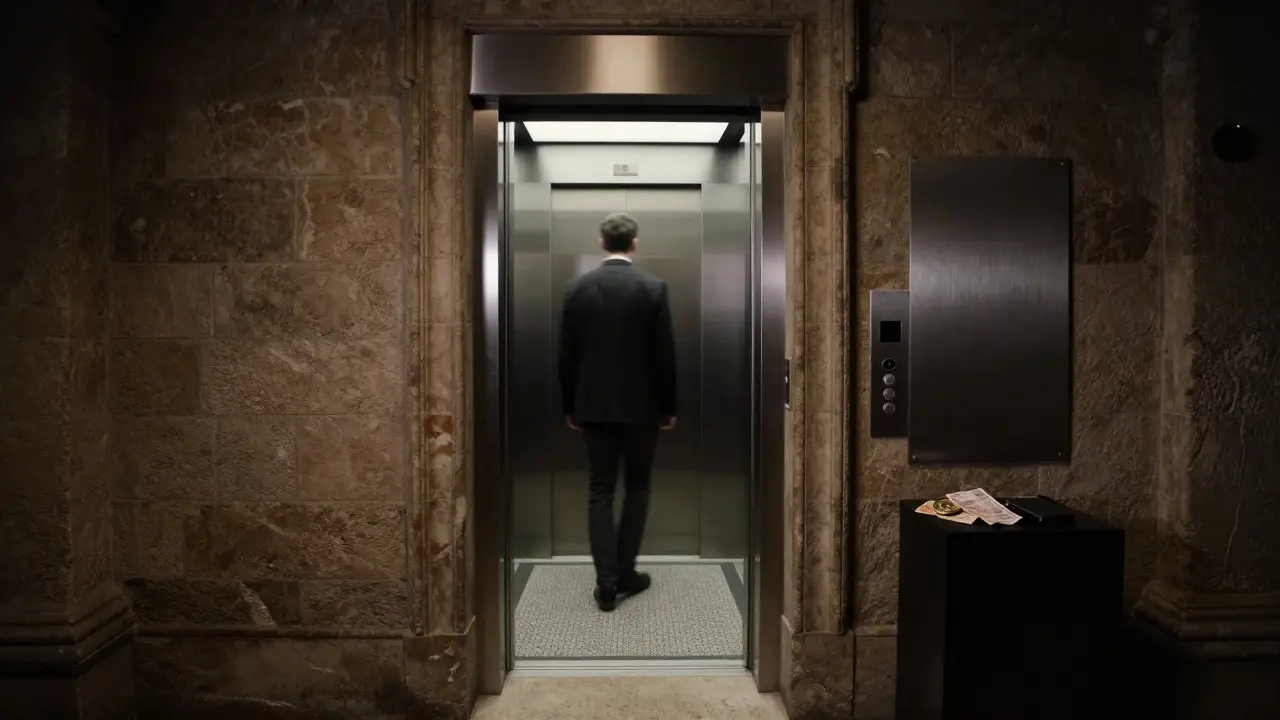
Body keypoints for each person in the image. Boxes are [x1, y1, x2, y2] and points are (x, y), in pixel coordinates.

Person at [558, 212, 678, 612]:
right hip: (643, 409)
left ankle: (606, 583)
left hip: (592, 407)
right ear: (634, 243)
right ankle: (625, 572)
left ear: (601, 242)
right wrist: (668, 406)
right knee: (639, 487)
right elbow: (665, 355)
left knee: (600, 490)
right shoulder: (653, 289)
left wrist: (569, 406)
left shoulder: (577, 289)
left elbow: (566, 356)